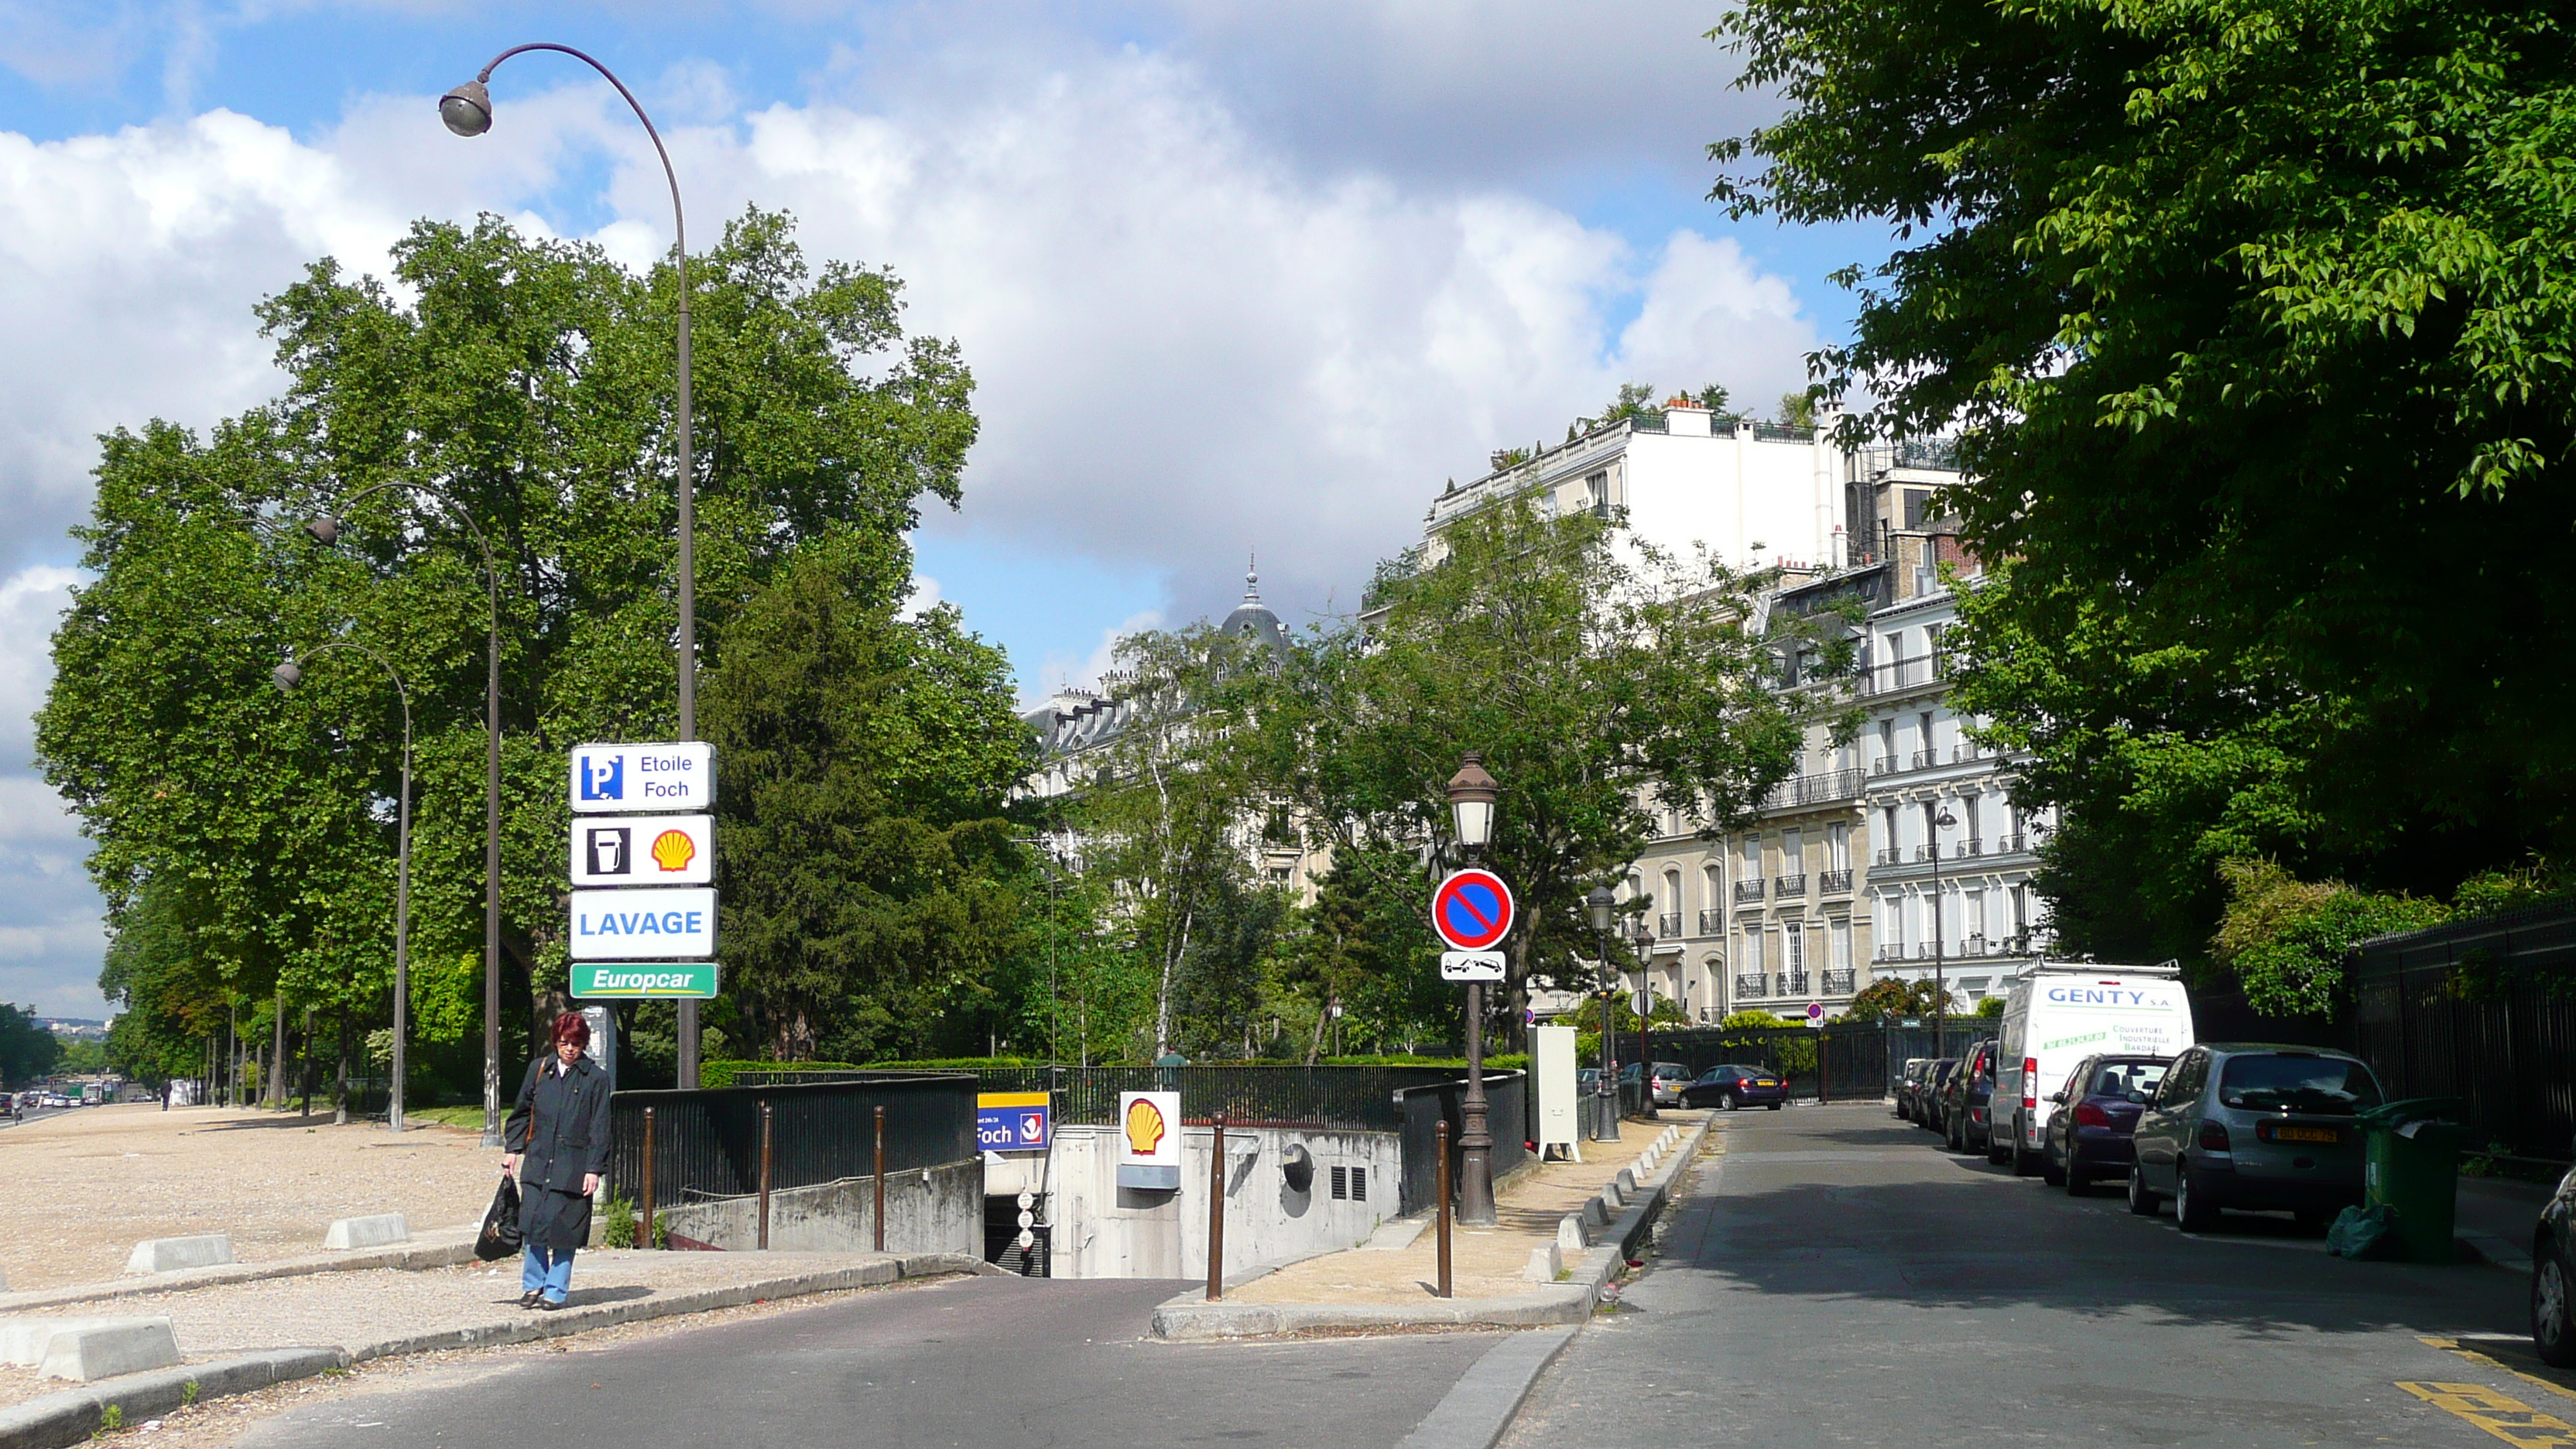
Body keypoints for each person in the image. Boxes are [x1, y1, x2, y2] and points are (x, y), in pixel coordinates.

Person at [502, 1012, 611, 1310]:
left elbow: (600, 1126)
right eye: (564, 1043)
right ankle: (533, 1284)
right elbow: (522, 1111)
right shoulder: (539, 1070)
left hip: (573, 1165)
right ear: (555, 1042)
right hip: (539, 1160)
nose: (570, 1049)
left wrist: (594, 1169)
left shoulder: (596, 1078)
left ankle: (555, 1290)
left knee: (565, 1229)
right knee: (534, 1224)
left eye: (576, 1043)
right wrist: (512, 1149)